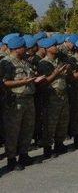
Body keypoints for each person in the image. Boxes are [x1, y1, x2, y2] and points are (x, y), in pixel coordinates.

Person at [1, 36, 37, 171]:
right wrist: (24, 82)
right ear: (17, 49)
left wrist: (34, 79)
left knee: (27, 129)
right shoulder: (6, 62)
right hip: (15, 100)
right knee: (13, 131)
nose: (26, 49)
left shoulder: (24, 61)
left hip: (28, 99)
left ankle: (24, 154)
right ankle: (11, 159)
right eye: (24, 47)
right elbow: (4, 83)